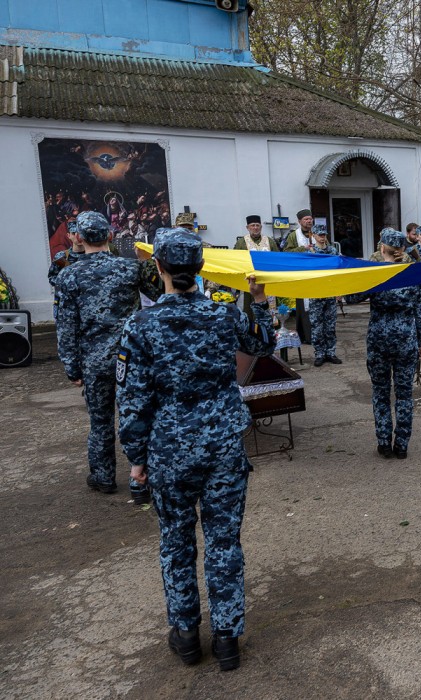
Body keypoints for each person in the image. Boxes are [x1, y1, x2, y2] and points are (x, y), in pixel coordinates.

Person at [117, 228, 275, 671]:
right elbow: (262, 346)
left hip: (169, 449)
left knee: (176, 541)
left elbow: (131, 401)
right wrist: (259, 301)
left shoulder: (140, 325)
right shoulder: (224, 316)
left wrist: (137, 460)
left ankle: (186, 635)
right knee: (224, 541)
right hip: (223, 444)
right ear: (203, 269)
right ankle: (227, 638)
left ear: (159, 268)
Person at [53, 211, 161, 500]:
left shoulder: (68, 276)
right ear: (110, 236)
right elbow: (161, 294)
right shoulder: (130, 269)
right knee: (137, 415)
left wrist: (72, 368)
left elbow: (66, 327)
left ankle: (103, 477)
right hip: (132, 358)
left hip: (94, 361)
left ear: (79, 237)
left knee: (100, 421)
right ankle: (143, 475)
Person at [345, 228, 421, 459]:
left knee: (381, 393)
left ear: (381, 248)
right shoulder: (412, 274)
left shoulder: (375, 274)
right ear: (402, 249)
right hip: (405, 341)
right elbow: (420, 311)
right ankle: (402, 444)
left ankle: (383, 442)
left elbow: (351, 298)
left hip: (379, 340)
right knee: (404, 395)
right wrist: (420, 341)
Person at [287, 226, 341, 366]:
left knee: (330, 326)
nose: (322, 237)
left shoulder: (332, 251)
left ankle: (331, 352)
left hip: (329, 293)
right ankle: (319, 354)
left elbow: (338, 271)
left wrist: (339, 291)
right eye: (320, 235)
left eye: (324, 235)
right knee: (317, 326)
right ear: (314, 235)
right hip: (316, 293)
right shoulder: (310, 251)